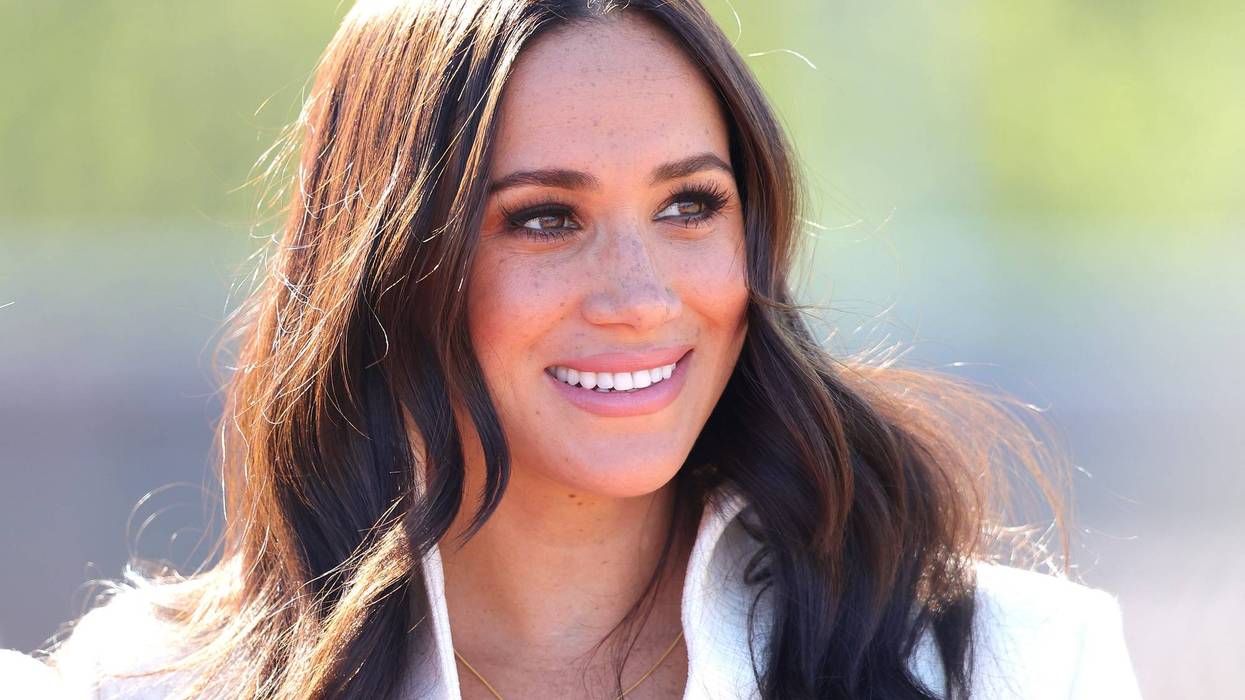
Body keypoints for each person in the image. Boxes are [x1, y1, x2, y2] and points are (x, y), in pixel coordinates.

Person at [2, 1, 1143, 698]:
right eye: (545, 217)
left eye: (690, 206)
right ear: (388, 267)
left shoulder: (1015, 668)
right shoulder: (142, 685)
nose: (642, 297)